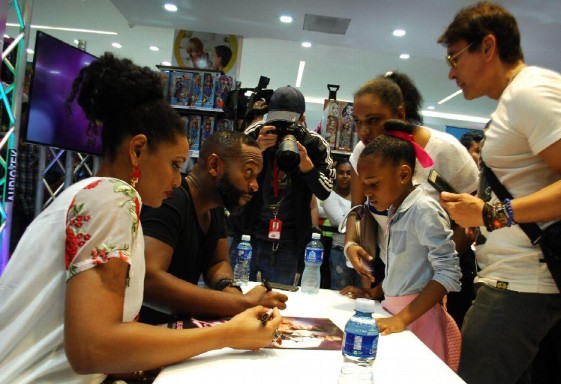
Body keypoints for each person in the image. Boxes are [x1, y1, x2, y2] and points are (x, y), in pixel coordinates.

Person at [0, 53, 282, 384]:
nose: (178, 180)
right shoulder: (112, 198)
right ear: (137, 150)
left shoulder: (98, 196)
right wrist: (228, 334)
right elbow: (91, 348)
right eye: (175, 165)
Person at [437, 2, 561, 383]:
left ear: (488, 47)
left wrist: (491, 215)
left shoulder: (534, 91)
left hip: (525, 284)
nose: (451, 72)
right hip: (514, 279)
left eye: (456, 57)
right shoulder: (515, 100)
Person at [343, 72, 478, 325]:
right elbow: (359, 209)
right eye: (358, 122)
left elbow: (469, 225)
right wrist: (351, 243)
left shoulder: (447, 151)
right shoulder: (365, 150)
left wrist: (431, 285)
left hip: (440, 278)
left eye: (373, 120)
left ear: (400, 115)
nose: (364, 132)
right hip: (396, 278)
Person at [139, 130, 288, 325]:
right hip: (147, 332)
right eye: (249, 172)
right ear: (214, 165)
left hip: (177, 328)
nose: (254, 186)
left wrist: (231, 291)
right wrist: (240, 303)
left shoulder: (214, 207)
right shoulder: (171, 199)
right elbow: (149, 281)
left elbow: (217, 263)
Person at [341, 132, 462, 370]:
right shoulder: (397, 209)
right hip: (397, 312)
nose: (366, 192)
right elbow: (407, 267)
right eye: (364, 184)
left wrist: (402, 318)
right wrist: (375, 293)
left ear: (404, 174)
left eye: (374, 184)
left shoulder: (424, 208)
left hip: (419, 319)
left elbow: (448, 272)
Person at [228, 86, 335, 285]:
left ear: (302, 120)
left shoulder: (314, 144)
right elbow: (230, 177)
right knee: (236, 292)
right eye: (276, 121)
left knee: (280, 298)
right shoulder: (255, 134)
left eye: (288, 123)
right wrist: (256, 150)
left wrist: (308, 167)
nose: (281, 127)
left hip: (288, 241)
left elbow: (325, 191)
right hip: (248, 235)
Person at [322, 159, 360, 290]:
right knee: (340, 292)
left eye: (349, 173)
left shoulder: (360, 195)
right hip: (340, 252)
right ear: (335, 174)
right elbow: (342, 224)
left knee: (360, 293)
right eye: (341, 173)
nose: (345, 176)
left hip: (362, 252)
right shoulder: (329, 197)